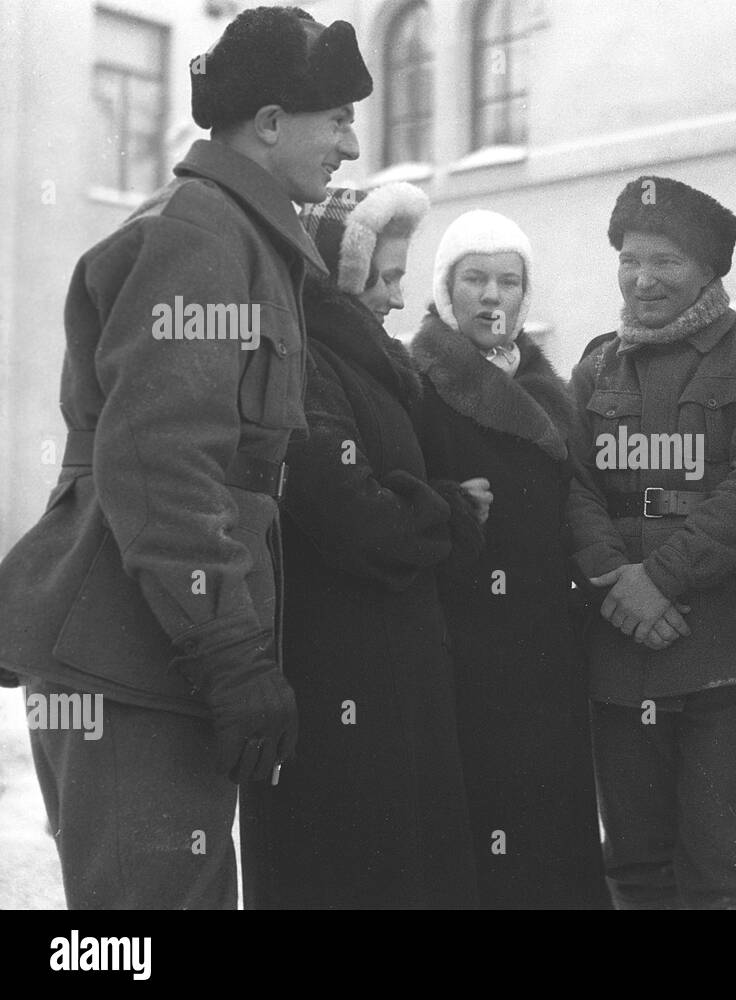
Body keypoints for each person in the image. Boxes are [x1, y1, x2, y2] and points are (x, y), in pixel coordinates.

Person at [0, 6, 371, 908]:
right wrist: (231, 657)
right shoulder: (202, 232)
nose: (351, 146)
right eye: (337, 119)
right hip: (132, 654)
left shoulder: (238, 229)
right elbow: (160, 461)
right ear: (272, 123)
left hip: (149, 646)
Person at [238, 184, 482, 908]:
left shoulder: (361, 364)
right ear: (335, 278)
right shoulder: (309, 364)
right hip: (342, 683)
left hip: (380, 679)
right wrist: (450, 509)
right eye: (386, 278)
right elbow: (350, 510)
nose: (398, 300)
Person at [567, 176, 736, 909]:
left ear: (707, 269)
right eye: (630, 259)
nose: (642, 278)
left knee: (728, 871)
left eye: (664, 261)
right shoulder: (596, 364)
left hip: (722, 655)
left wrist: (658, 580)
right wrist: (612, 574)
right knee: (637, 869)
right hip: (618, 655)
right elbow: (570, 488)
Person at [409, 209, 609, 909]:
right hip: (465, 643)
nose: (492, 296)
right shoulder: (418, 385)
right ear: (445, 290)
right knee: (490, 833)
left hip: (547, 640)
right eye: (474, 279)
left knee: (553, 828)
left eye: (508, 280)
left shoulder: (551, 389)